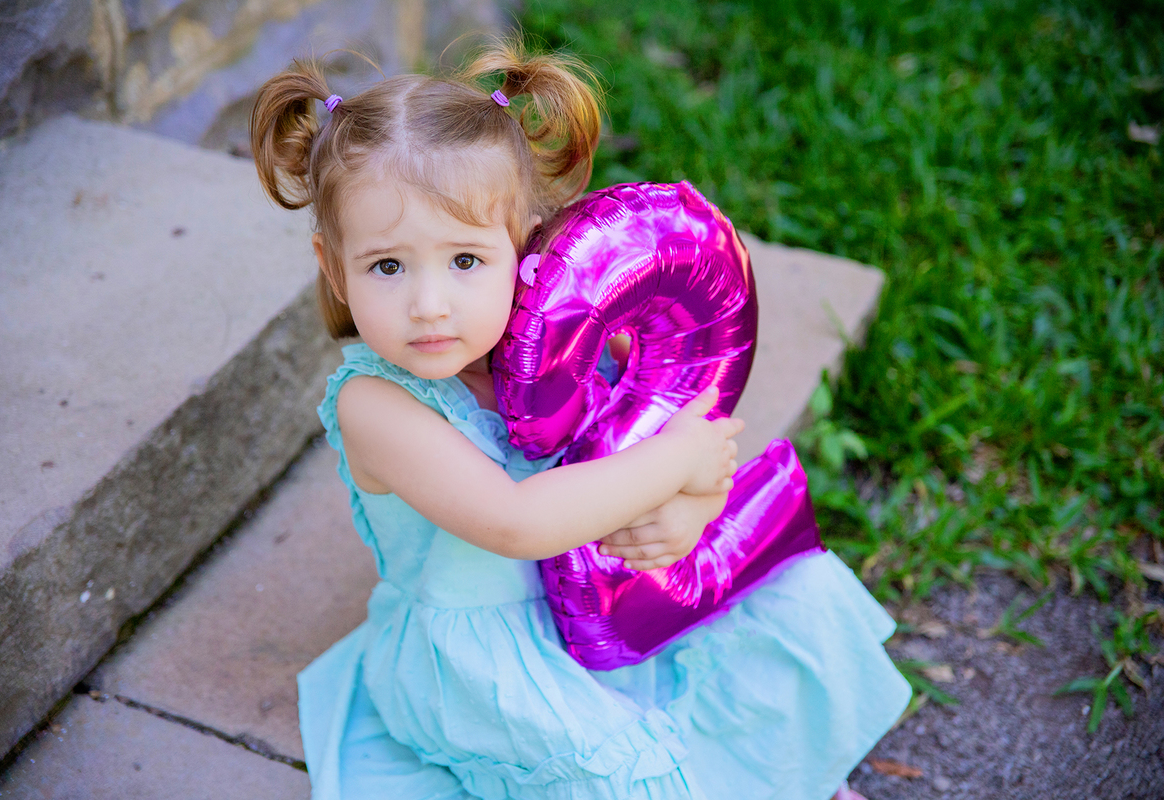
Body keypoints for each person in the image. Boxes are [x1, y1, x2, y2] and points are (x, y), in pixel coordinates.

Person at [249, 38, 910, 800]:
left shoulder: (561, 349)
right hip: (481, 666)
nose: (429, 304)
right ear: (333, 266)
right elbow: (517, 523)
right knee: (625, 773)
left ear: (527, 250)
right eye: (387, 266)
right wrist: (675, 466)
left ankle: (782, 781)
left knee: (780, 611)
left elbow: (678, 433)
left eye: (465, 261)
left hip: (596, 599)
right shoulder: (379, 405)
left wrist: (689, 508)